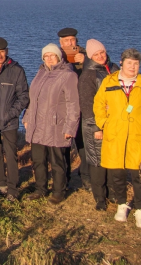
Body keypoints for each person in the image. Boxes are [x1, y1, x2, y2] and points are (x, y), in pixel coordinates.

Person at [94, 48, 141, 229]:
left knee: (138, 175)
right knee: (117, 173)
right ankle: (122, 204)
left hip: (137, 135)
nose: (133, 67)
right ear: (122, 63)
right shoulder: (109, 81)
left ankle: (139, 209)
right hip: (115, 134)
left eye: (136, 64)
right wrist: (104, 122)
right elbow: (99, 103)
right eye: (129, 63)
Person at [22, 44, 79, 204]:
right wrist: (27, 117)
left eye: (52, 55)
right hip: (37, 124)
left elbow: (73, 104)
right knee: (38, 160)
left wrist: (70, 127)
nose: (49, 59)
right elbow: (33, 99)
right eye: (46, 56)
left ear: (59, 57)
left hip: (56, 126)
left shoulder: (68, 76)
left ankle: (59, 191)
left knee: (57, 162)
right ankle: (41, 188)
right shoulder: (41, 73)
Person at [0, 37, 30, 200]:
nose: (0, 55)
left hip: (9, 122)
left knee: (11, 155)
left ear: (7, 51)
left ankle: (12, 189)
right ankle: (1, 184)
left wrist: (10, 114)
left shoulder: (17, 71)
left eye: (2, 52)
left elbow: (23, 96)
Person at [78, 39, 119, 210]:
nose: (100, 56)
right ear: (90, 56)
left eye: (102, 52)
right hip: (94, 125)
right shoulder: (88, 74)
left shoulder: (114, 69)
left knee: (112, 159)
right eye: (96, 54)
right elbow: (87, 104)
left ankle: (113, 193)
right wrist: (96, 127)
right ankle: (100, 197)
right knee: (96, 161)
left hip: (114, 123)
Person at [57, 27, 89, 190]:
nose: (70, 43)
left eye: (72, 40)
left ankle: (86, 177)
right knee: (63, 146)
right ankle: (65, 178)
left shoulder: (87, 55)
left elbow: (102, 68)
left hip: (83, 106)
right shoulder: (56, 57)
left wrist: (86, 62)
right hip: (63, 108)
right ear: (60, 43)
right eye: (66, 41)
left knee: (83, 144)